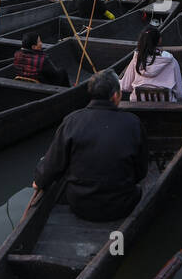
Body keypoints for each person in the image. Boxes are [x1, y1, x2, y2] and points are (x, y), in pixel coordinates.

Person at [32, 70, 149, 221]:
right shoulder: (133, 123)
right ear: (115, 96)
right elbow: (141, 172)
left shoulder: (72, 120)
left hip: (79, 204)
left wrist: (39, 181)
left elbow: (52, 164)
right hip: (121, 206)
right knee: (138, 190)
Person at [119, 25, 182, 100]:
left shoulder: (137, 60)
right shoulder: (171, 61)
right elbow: (179, 93)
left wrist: (115, 81)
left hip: (138, 106)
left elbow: (125, 86)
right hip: (166, 107)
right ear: (159, 40)